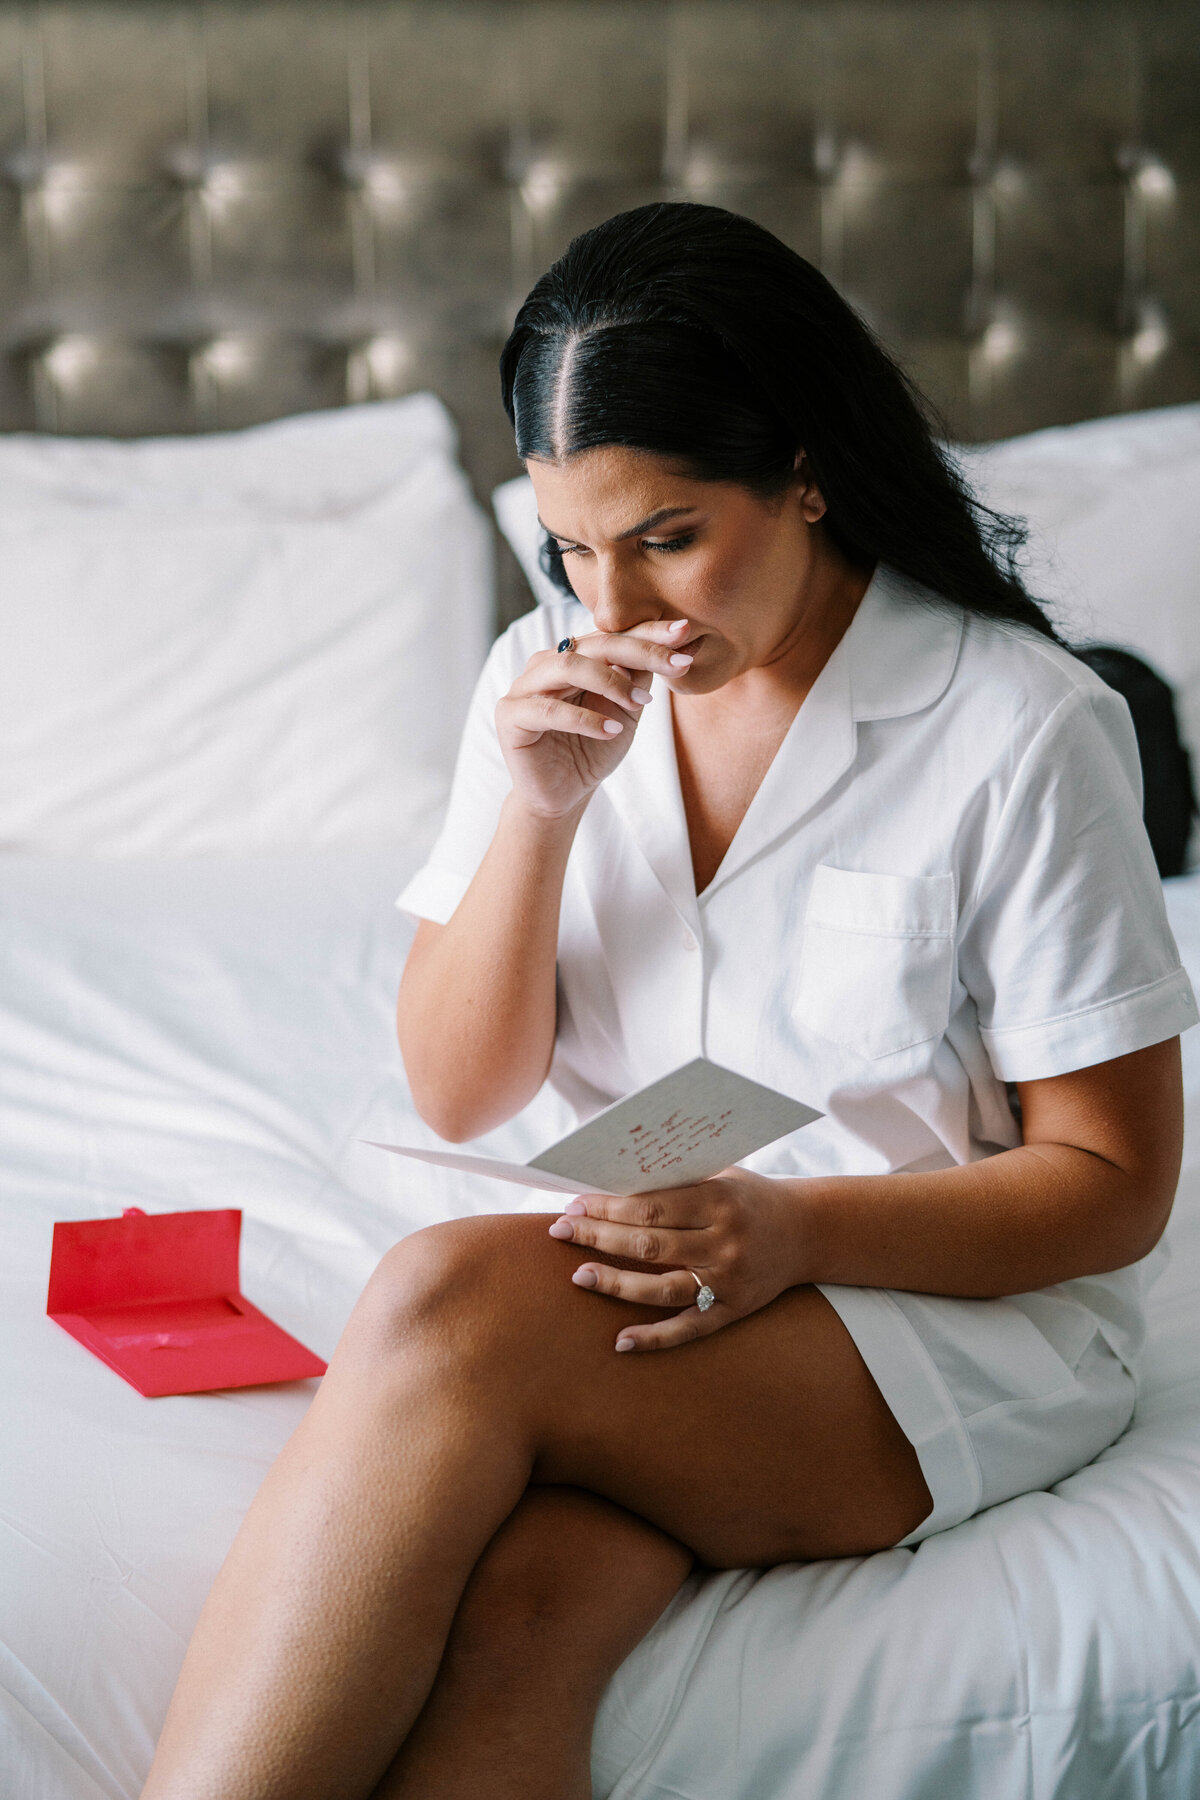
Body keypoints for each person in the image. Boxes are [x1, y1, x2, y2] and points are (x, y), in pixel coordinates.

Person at [141, 203, 1196, 1800]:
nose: (617, 608)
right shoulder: (541, 678)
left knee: (438, 1304)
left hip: (923, 1321)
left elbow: (1116, 1190)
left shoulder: (1023, 727)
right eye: (569, 548)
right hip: (638, 1279)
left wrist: (796, 1233)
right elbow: (458, 1091)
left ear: (806, 471)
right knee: (525, 1617)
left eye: (667, 536)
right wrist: (543, 810)